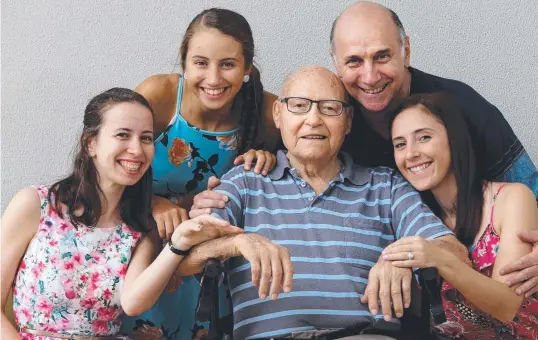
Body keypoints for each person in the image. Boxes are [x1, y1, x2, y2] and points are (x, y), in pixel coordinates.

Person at [178, 66, 468, 339]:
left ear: (349, 121)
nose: (313, 119)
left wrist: (402, 256)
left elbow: (453, 250)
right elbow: (183, 258)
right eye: (299, 106)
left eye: (329, 108)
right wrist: (237, 244)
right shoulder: (244, 181)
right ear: (278, 115)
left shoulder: (386, 186)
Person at [329, 1, 538, 297]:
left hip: (485, 300)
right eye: (353, 61)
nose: (370, 76)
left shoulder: (465, 108)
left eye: (382, 56)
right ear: (335, 62)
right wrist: (257, 156)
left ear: (406, 50)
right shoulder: (331, 119)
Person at [0, 88, 242, 339]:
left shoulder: (141, 226)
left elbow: (133, 302)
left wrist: (178, 242)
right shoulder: (36, 204)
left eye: (146, 138)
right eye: (123, 135)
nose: (137, 150)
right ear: (90, 143)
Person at [119, 8, 280, 339]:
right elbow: (111, 164)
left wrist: (268, 159)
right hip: (141, 252)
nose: (214, 78)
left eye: (228, 64)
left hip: (206, 266)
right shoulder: (160, 96)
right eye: (201, 63)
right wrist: (152, 202)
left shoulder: (266, 112)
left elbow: (296, 172)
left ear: (247, 67)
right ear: (184, 62)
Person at [383, 92, 538, 339]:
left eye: (424, 137)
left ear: (454, 140)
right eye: (400, 144)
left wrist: (441, 258)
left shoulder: (511, 199)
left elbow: (506, 305)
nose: (410, 153)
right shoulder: (413, 215)